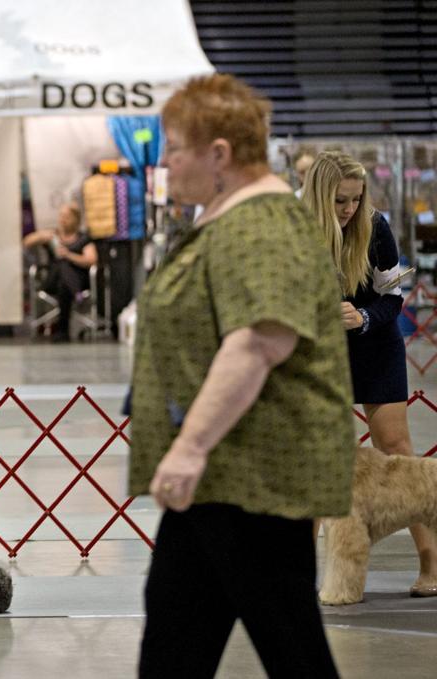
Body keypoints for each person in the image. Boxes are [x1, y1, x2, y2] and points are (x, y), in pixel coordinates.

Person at [128, 74, 353, 677]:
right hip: (223, 480)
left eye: (174, 149)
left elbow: (259, 341)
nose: (166, 164)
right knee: (177, 636)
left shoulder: (261, 224)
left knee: (290, 645)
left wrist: (189, 448)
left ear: (219, 154)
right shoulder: (227, 219)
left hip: (254, 476)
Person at [301, 150, 437, 596]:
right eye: (341, 200)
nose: (350, 210)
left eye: (356, 200)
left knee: (397, 448)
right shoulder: (292, 228)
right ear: (320, 195)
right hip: (321, 355)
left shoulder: (375, 227)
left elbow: (393, 298)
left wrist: (363, 317)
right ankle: (298, 577)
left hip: (375, 346)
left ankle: (431, 566)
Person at [24, 203, 97, 342]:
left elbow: (91, 259)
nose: (63, 219)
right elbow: (27, 242)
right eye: (61, 216)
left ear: (76, 219)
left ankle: (63, 330)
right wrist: (41, 236)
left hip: (74, 281)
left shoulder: (83, 239)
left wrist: (69, 255)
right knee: (61, 266)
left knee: (64, 275)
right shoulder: (53, 236)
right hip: (53, 279)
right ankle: (78, 296)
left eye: (67, 217)